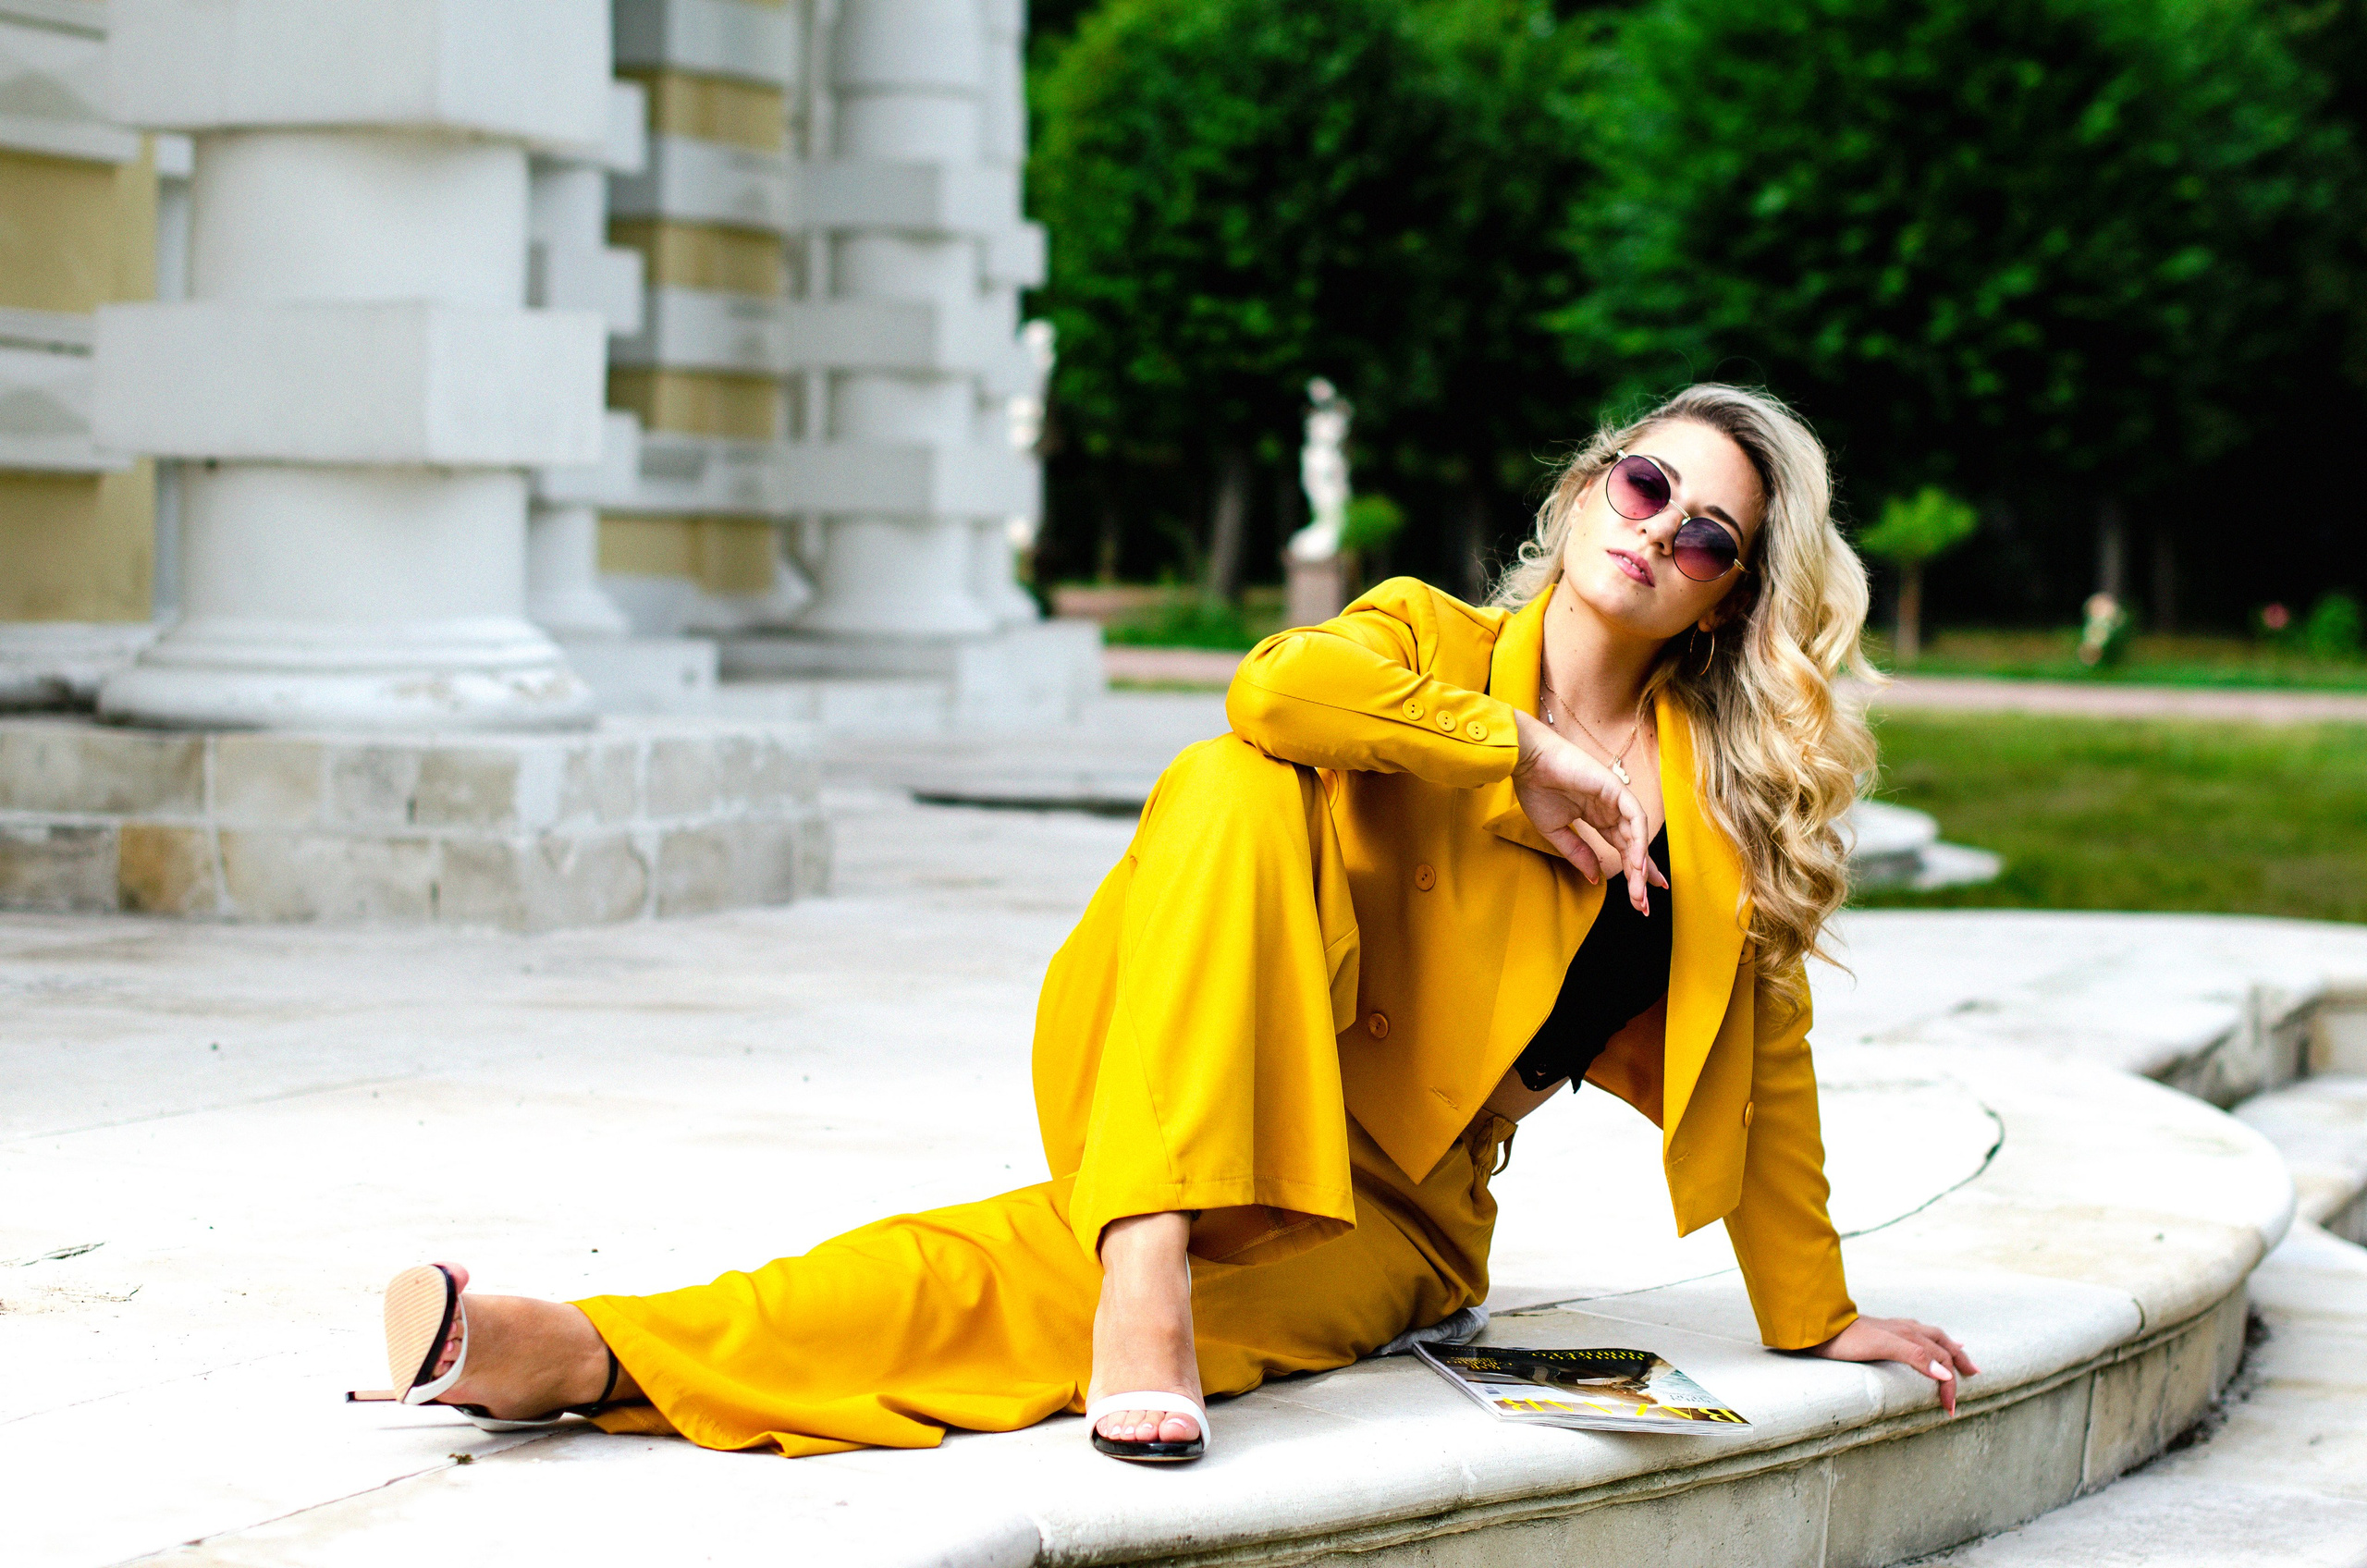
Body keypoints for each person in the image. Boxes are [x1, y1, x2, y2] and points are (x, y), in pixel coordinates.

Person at [346, 384, 1978, 1463]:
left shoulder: (1707, 818)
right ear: (1580, 490)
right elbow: (1279, 682)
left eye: (1709, 537)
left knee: (1007, 1275)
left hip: (1382, 1215)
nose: (1658, 531)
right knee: (1232, 774)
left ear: (1726, 599)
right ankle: (1148, 1252)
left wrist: (1821, 1315)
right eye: (1645, 484)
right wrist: (1515, 748)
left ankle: (576, 1353)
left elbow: (1766, 1071)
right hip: (1185, 1053)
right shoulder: (1420, 639)